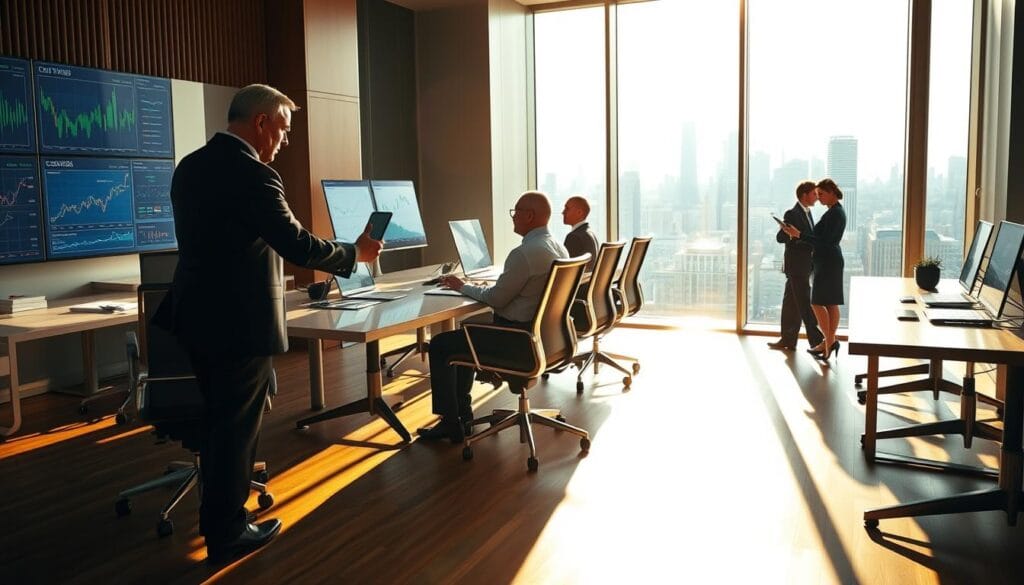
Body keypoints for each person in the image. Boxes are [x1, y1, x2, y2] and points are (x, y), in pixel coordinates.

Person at [155, 84, 383, 563]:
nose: (284, 140)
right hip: (238, 322)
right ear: (260, 122)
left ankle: (217, 520)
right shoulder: (254, 175)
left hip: (194, 315)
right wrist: (354, 254)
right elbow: (297, 245)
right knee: (235, 429)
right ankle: (227, 532)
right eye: (282, 128)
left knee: (220, 421)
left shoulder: (190, 167)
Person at [419, 191, 569, 443]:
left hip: (515, 342)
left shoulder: (524, 254)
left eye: (516, 212)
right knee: (469, 330)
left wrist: (461, 286)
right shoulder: (558, 248)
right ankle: (462, 414)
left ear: (529, 216)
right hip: (544, 339)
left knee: (441, 344)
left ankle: (451, 423)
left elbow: (497, 299)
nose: (513, 217)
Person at [782, 178, 847, 365]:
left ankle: (829, 342)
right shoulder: (834, 212)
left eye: (821, 194)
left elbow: (825, 242)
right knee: (830, 304)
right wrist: (796, 233)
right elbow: (818, 237)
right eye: (816, 195)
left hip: (828, 262)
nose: (819, 199)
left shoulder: (835, 214)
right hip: (828, 261)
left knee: (818, 303)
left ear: (832, 192)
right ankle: (828, 342)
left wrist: (799, 235)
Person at [768, 181, 824, 351]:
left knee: (791, 304)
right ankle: (818, 342)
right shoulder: (793, 213)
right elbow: (780, 238)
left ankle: (788, 340)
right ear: (804, 195)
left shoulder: (807, 213)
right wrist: (789, 233)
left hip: (803, 266)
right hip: (797, 266)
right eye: (814, 194)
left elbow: (806, 236)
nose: (817, 197)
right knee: (805, 304)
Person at [561, 195, 599, 271]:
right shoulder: (590, 233)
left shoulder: (574, 237)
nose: (563, 212)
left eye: (567, 209)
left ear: (579, 212)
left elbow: (566, 271)